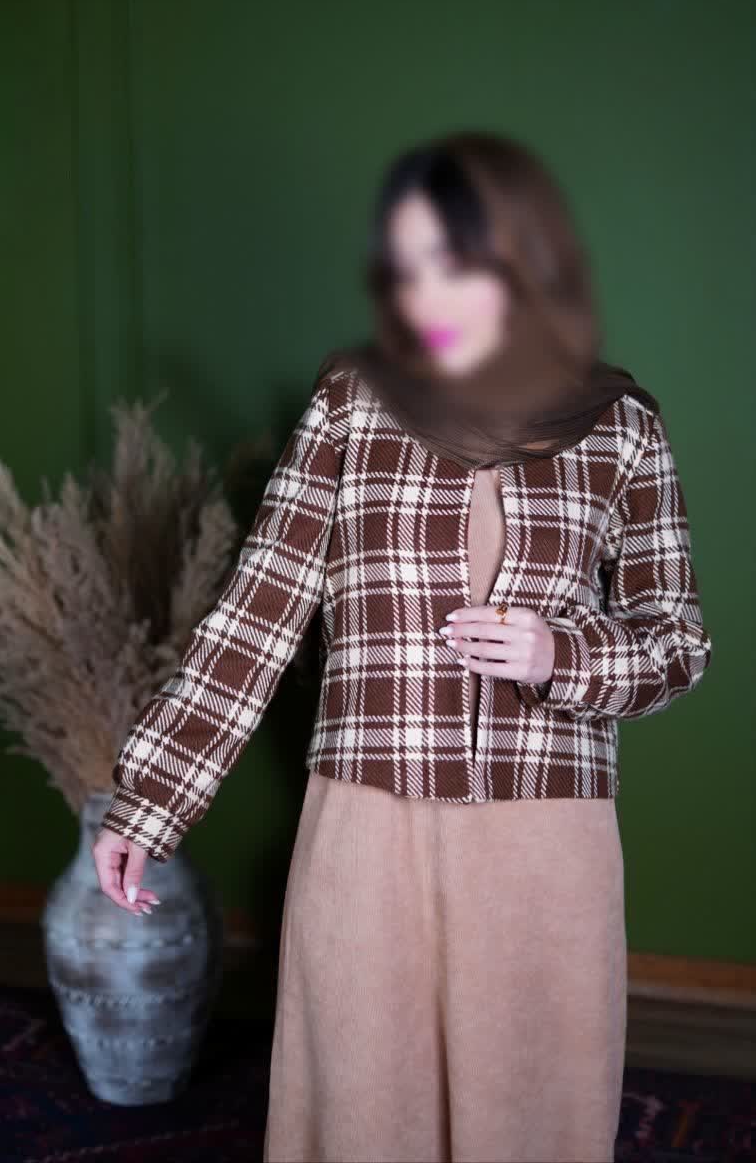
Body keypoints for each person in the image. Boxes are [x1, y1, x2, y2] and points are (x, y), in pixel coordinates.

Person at [92, 131, 712, 1163]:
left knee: (532, 1113)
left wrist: (559, 656)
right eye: (407, 263)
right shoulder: (353, 403)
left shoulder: (622, 428)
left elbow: (676, 641)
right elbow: (256, 613)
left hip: (544, 834)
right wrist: (148, 803)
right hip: (365, 823)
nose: (425, 290)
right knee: (362, 1108)